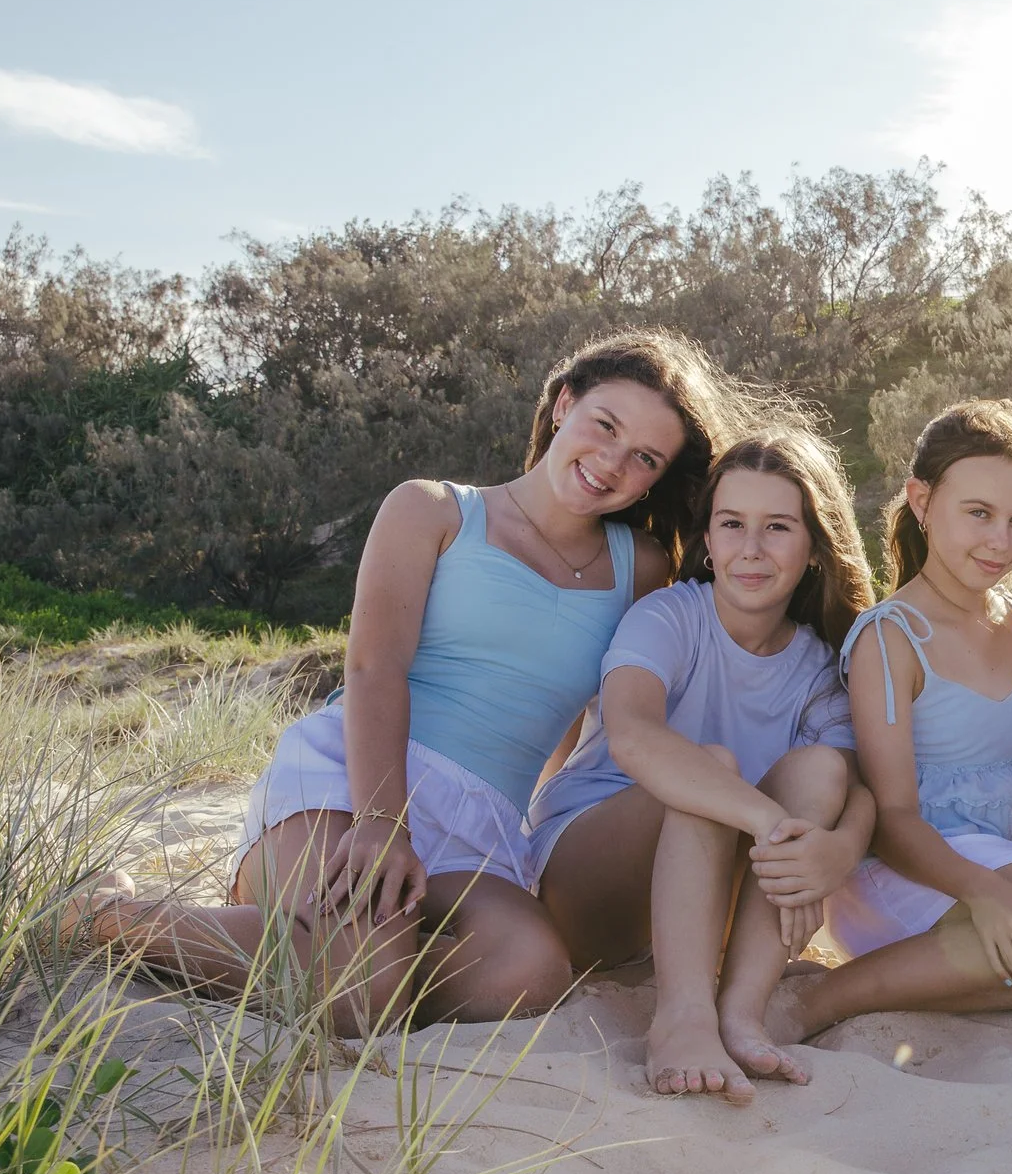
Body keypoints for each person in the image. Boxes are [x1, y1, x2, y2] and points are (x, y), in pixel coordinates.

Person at [97, 329, 738, 1032]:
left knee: (528, 971)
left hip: (485, 821)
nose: (611, 462)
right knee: (359, 989)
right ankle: (109, 917)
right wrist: (382, 820)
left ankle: (332, 953)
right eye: (604, 425)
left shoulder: (642, 568)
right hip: (356, 780)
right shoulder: (432, 509)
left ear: (657, 477)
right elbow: (374, 669)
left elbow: (587, 718)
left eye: (644, 457)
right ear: (563, 405)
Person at [528, 427, 876, 1104]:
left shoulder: (818, 666)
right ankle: (681, 1017)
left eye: (777, 527)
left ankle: (740, 1009)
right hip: (587, 877)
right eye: (732, 524)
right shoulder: (669, 617)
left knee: (822, 773)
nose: (751, 548)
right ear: (708, 541)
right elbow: (632, 734)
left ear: (812, 549)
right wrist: (769, 821)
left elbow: (854, 785)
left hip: (701, 906)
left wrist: (836, 850)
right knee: (706, 769)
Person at [781, 400, 1012, 1037]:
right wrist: (985, 892)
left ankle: (958, 986)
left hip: (1005, 857)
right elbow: (891, 822)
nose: (1001, 541)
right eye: (978, 513)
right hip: (917, 870)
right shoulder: (892, 638)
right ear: (921, 502)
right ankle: (828, 999)